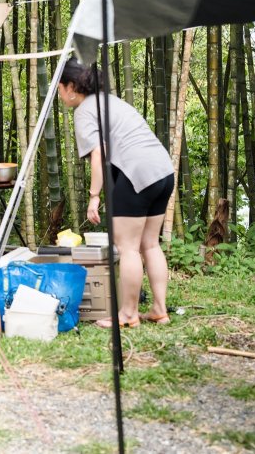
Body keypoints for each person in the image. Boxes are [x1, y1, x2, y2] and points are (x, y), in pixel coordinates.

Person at [58, 57, 174, 329]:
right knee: (150, 244)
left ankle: (129, 314)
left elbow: (99, 154)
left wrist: (94, 196)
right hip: (162, 171)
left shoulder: (85, 110)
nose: (60, 95)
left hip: (136, 174)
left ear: (72, 87)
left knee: (128, 248)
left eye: (60, 88)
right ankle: (159, 309)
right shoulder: (111, 101)